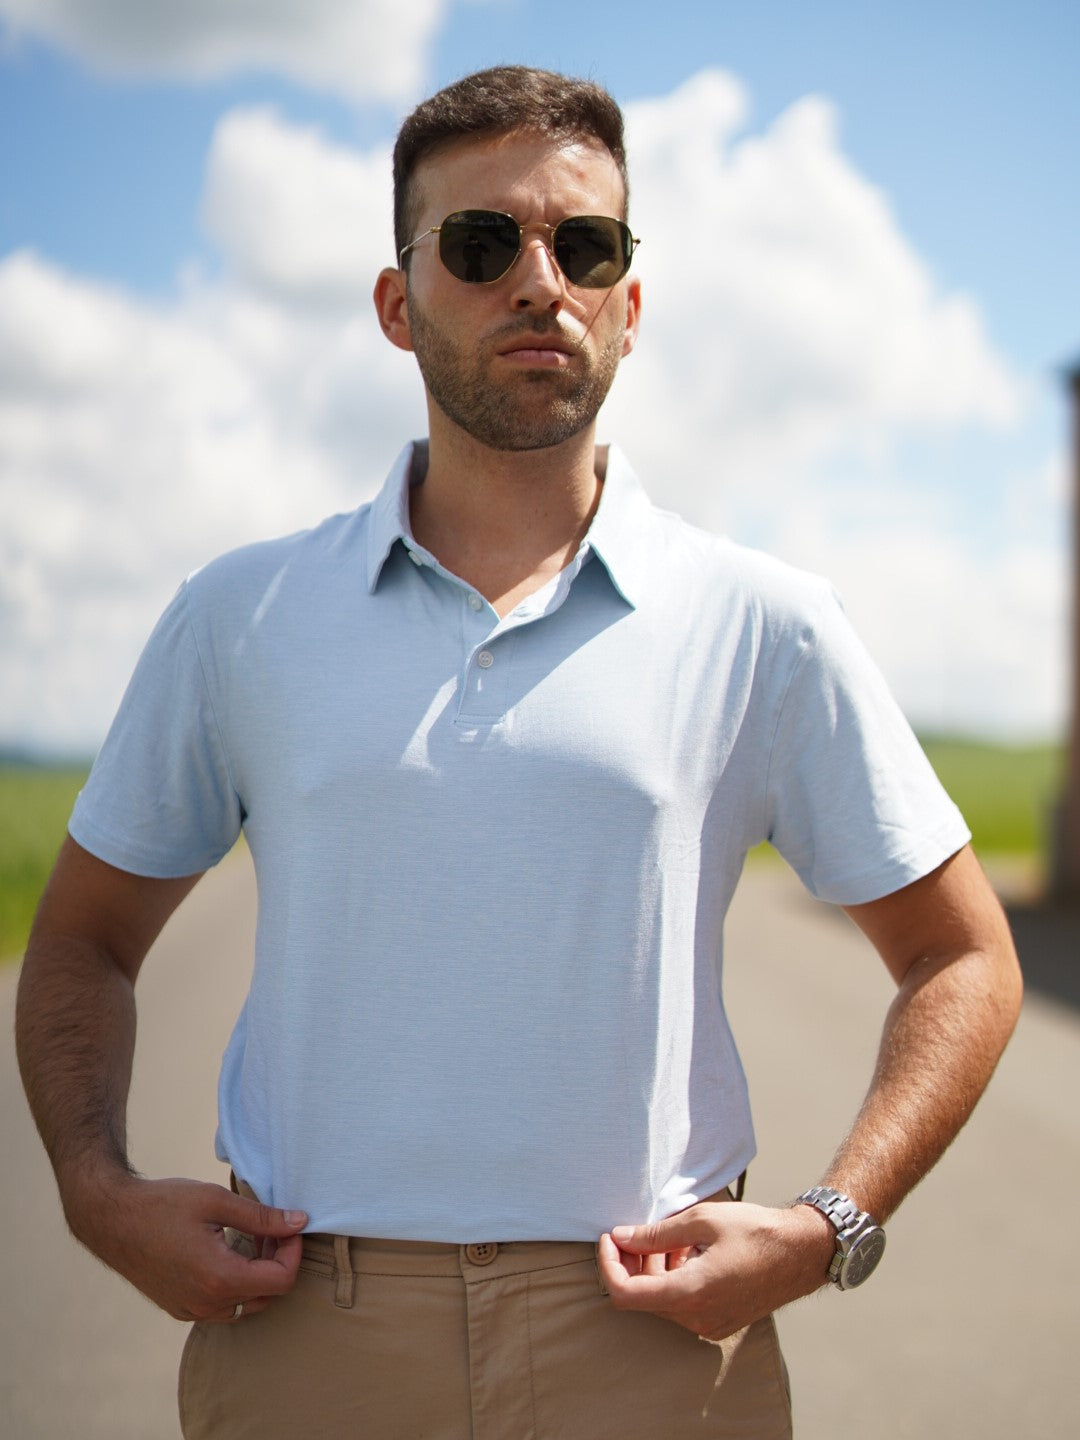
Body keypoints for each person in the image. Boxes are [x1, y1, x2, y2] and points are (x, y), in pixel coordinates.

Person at [17, 65, 1022, 1439]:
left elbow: (962, 956)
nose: (541, 282)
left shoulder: (763, 622)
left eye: (585, 245)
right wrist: (95, 1194)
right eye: (483, 244)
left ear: (630, 306)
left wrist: (829, 1223)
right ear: (397, 303)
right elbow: (83, 942)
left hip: (655, 1345)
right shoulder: (239, 616)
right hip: (309, 1336)